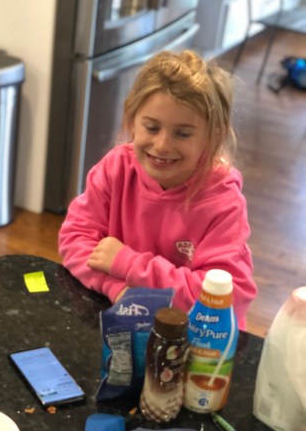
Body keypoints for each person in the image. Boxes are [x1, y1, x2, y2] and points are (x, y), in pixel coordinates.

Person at [58, 50, 257, 330]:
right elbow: (75, 238)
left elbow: (226, 298)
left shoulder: (224, 202)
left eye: (182, 133)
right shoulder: (115, 168)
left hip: (198, 340)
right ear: (132, 120)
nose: (162, 145)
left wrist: (130, 265)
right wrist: (117, 288)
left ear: (213, 135)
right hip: (125, 322)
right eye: (152, 127)